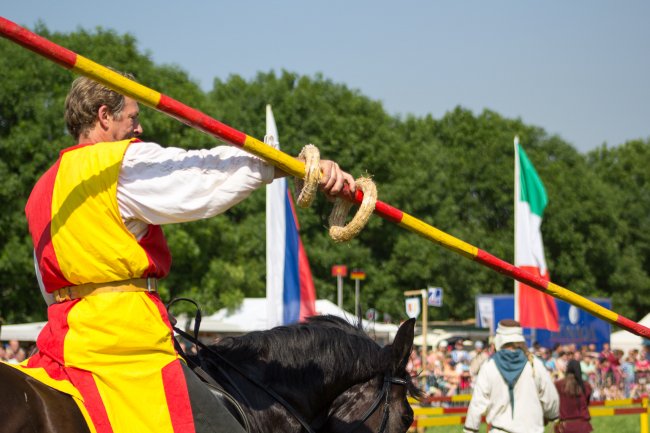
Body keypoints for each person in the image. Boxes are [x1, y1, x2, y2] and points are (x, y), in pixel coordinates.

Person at [11, 74, 356, 433]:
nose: (139, 127)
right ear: (104, 116)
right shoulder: (117, 164)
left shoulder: (42, 189)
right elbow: (201, 177)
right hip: (126, 345)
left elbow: (48, 284)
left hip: (63, 342)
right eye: (132, 117)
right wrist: (284, 164)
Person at [463, 320, 559, 433]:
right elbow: (551, 398)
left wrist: (470, 429)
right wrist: (550, 415)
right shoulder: (534, 364)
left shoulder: (489, 366)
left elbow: (477, 403)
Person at [554, 359, 593, 433]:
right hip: (582, 427)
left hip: (565, 426)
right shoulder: (586, 386)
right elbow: (587, 403)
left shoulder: (558, 385)